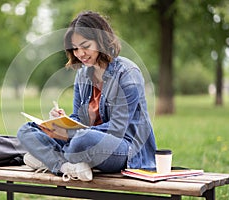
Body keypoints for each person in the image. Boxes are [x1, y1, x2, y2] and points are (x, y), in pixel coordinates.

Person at [17, 11, 157, 182]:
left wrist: (70, 134)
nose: (80, 53)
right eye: (75, 48)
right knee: (26, 130)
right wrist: (63, 121)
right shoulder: (83, 75)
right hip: (85, 141)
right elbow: (79, 117)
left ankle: (49, 159)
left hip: (124, 148)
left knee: (81, 141)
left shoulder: (128, 74)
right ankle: (65, 166)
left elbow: (117, 128)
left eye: (85, 46)